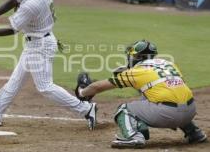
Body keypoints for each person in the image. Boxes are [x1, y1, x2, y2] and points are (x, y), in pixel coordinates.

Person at [0, 0, 97, 130]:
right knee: (14, 82)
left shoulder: (32, 5)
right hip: (36, 43)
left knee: (45, 87)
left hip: (41, 46)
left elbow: (13, 29)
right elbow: (14, 0)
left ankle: (86, 109)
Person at [75, 40, 207, 148]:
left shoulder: (136, 72)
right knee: (171, 97)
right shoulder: (168, 64)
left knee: (124, 109)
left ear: (137, 57)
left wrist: (82, 92)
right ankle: (195, 133)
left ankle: (134, 137)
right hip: (190, 111)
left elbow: (98, 87)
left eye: (132, 56)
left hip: (167, 115)